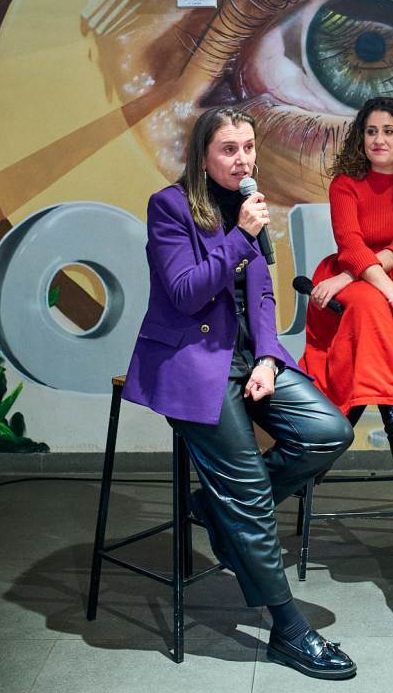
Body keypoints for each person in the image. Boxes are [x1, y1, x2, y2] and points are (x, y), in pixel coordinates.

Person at [122, 107, 357, 679]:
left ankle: (216, 508)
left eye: (249, 148)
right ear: (203, 155)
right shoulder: (171, 207)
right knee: (248, 491)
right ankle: (288, 630)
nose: (243, 160)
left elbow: (264, 295)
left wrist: (271, 358)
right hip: (194, 362)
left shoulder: (248, 205)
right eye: (229, 149)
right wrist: (240, 235)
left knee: (329, 431)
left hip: (252, 358)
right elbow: (185, 293)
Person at [300, 96, 393, 476]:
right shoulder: (345, 185)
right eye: (370, 132)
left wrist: (353, 277)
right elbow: (350, 246)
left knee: (369, 317)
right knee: (369, 304)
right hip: (354, 285)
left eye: (388, 131)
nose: (378, 140)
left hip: (380, 279)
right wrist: (388, 295)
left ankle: (323, 447)